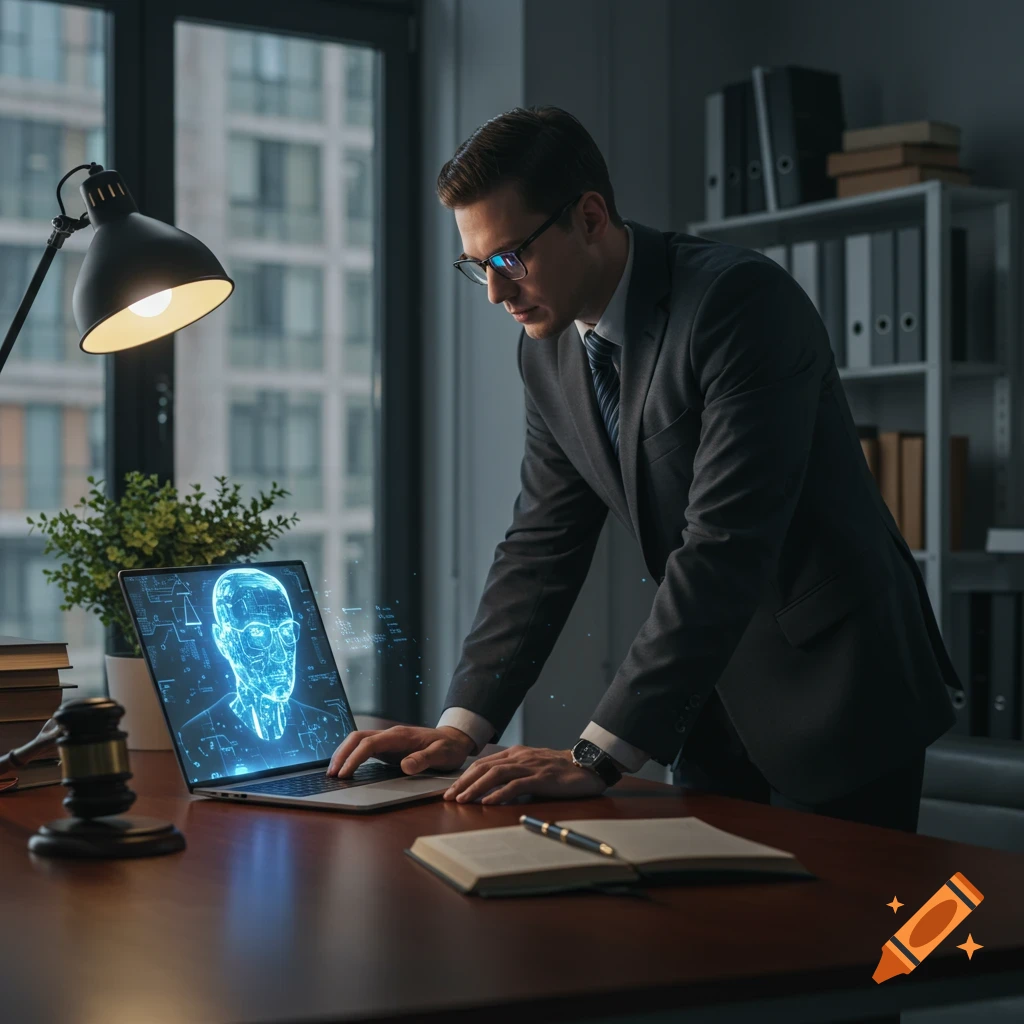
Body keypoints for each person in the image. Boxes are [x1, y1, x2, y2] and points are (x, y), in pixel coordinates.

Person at [326, 106, 962, 832]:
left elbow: (725, 543)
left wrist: (595, 755)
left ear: (590, 217)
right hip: (706, 700)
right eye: (478, 268)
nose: (497, 293)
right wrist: (462, 727)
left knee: (855, 943)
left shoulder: (737, 304)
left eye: (510, 259)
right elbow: (540, 548)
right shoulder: (547, 351)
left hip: (837, 691)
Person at [179, 567, 347, 779]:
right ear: (223, 641)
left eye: (286, 630)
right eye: (257, 632)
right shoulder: (197, 736)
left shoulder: (330, 727)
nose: (280, 655)